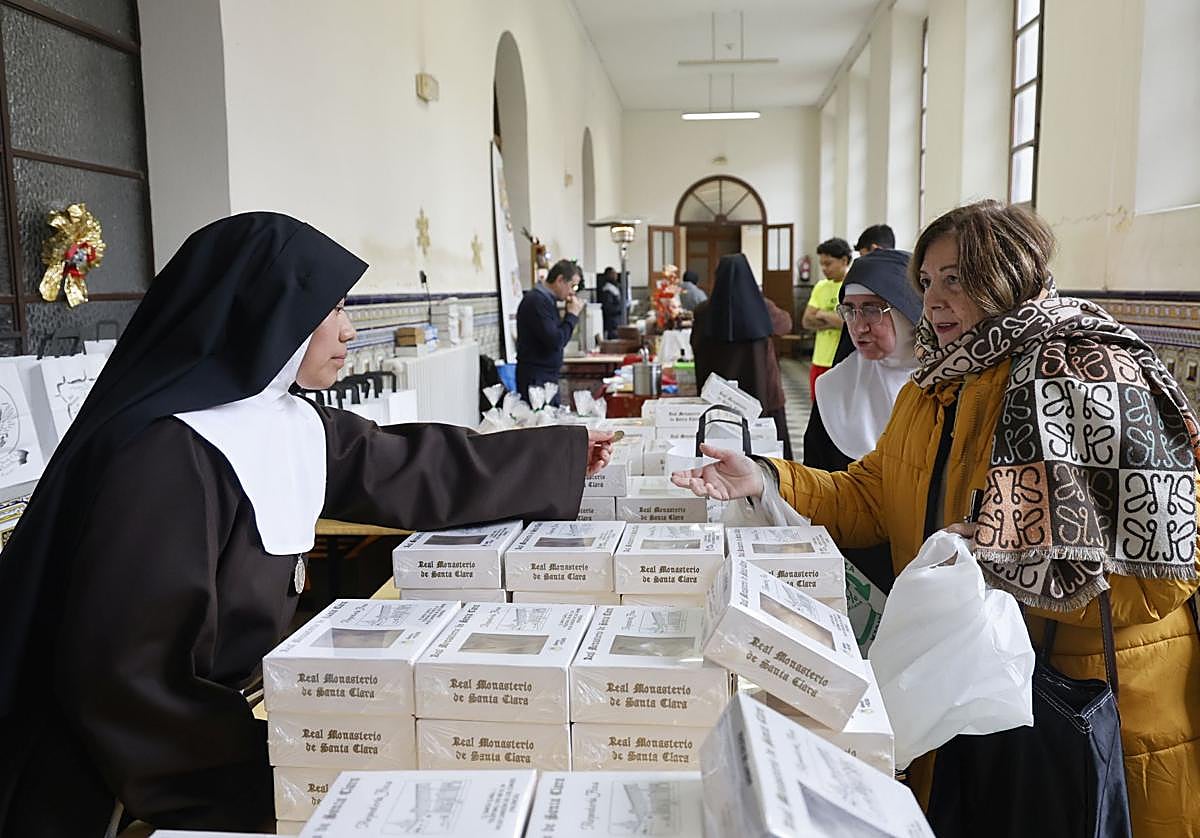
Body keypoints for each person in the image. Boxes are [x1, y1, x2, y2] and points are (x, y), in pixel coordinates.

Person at [0, 213, 615, 836]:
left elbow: (408, 467)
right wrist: (283, 784)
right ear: (270, 316)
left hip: (232, 725)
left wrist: (559, 456)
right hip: (134, 775)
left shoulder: (281, 418)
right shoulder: (167, 457)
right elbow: (129, 679)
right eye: (333, 309)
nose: (348, 331)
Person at [673, 200, 1200, 838]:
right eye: (927, 281)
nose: (936, 298)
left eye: (957, 278)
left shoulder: (1087, 374)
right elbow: (869, 497)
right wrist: (765, 476)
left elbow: (1165, 572)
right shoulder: (935, 385)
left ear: (1006, 273)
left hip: (1085, 700)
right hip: (977, 690)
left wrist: (1013, 559)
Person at [801, 248, 921, 592]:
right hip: (856, 570)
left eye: (872, 309)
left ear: (908, 310)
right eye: (849, 311)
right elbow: (817, 482)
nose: (859, 325)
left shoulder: (948, 388)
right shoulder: (834, 389)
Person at [691, 253, 793, 460]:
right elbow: (786, 325)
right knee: (771, 449)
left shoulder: (703, 311)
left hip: (719, 394)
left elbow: (695, 343)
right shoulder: (764, 307)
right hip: (762, 389)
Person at [516, 258, 584, 405]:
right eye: (572, 286)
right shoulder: (537, 301)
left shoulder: (546, 300)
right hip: (536, 377)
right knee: (541, 425)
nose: (572, 292)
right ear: (560, 280)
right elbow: (556, 341)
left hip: (546, 375)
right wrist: (572, 316)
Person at [802, 237, 851, 400]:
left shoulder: (852, 286)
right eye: (821, 263)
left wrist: (822, 314)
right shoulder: (820, 286)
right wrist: (835, 319)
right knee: (817, 409)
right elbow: (806, 321)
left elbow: (849, 323)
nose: (823, 268)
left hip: (842, 361)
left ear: (844, 260)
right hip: (819, 360)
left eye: (828, 263)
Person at [598, 266, 624, 338]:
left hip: (619, 322)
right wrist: (622, 307)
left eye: (615, 273)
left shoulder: (617, 287)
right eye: (613, 273)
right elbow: (608, 309)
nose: (615, 275)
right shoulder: (607, 290)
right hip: (612, 324)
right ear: (608, 275)